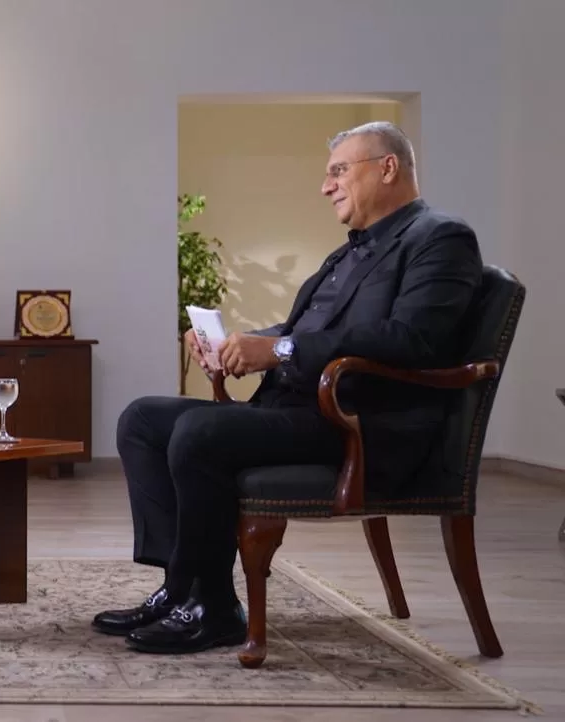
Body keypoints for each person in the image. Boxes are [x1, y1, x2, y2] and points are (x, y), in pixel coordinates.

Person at [93, 121, 484, 654]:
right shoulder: (349, 252)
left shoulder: (440, 238)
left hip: (361, 423)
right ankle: (181, 588)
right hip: (301, 409)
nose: (326, 186)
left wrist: (278, 351)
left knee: (200, 431)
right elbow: (300, 331)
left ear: (388, 168)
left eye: (339, 171)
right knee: (141, 419)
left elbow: (413, 339)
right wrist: (237, 345)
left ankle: (214, 609)